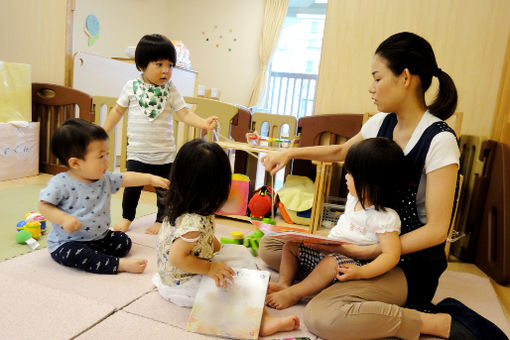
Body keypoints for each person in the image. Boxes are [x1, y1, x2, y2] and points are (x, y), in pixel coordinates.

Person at [259, 32, 507, 339]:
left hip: (404, 263)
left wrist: (372, 251)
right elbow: (340, 152)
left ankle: (436, 321)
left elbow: (437, 230)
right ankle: (339, 277)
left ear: (405, 78)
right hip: (362, 249)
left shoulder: (439, 140)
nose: (371, 87)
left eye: (377, 78)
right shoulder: (381, 122)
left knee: (322, 316)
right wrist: (289, 152)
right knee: (273, 247)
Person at [152, 139, 300, 337]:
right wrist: (211, 268)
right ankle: (260, 321)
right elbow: (177, 257)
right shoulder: (194, 223)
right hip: (183, 284)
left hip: (176, 275)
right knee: (233, 283)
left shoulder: (187, 204)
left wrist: (218, 251)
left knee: (238, 252)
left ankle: (253, 283)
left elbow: (204, 240)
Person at [266, 137, 405, 310]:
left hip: (349, 264)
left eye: (351, 173)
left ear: (369, 182)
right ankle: (285, 283)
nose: (346, 176)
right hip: (327, 250)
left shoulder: (384, 217)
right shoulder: (353, 197)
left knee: (330, 263)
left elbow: (391, 255)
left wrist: (362, 272)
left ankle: (295, 292)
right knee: (291, 245)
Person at [103, 33, 218, 235]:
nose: (166, 70)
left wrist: (204, 123)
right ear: (142, 65)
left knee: (165, 189)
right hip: (137, 152)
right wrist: (103, 131)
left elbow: (184, 114)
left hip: (164, 153)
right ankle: (127, 217)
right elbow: (117, 111)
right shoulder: (131, 87)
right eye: (159, 64)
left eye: (170, 65)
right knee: (132, 188)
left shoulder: (170, 89)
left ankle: (160, 218)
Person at [38, 118, 170, 274]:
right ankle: (118, 264)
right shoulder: (60, 183)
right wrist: (63, 219)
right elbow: (44, 206)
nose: (107, 160)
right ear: (75, 163)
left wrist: (149, 178)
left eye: (107, 154)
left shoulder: (105, 178)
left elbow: (126, 178)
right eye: (101, 156)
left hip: (99, 237)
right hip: (68, 242)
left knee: (123, 242)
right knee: (77, 254)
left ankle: (99, 256)